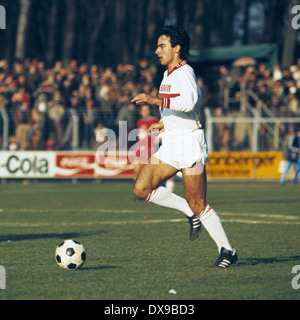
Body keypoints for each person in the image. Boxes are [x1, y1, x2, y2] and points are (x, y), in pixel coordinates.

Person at [131, 25, 237, 268]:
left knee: (198, 203)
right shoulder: (168, 74)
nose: (157, 50)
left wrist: (153, 99)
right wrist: (163, 123)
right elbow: (177, 107)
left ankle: (228, 251)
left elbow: (189, 102)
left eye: (162, 46)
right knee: (141, 188)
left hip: (190, 145)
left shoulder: (185, 71)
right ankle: (188, 213)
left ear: (176, 48)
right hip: (171, 144)